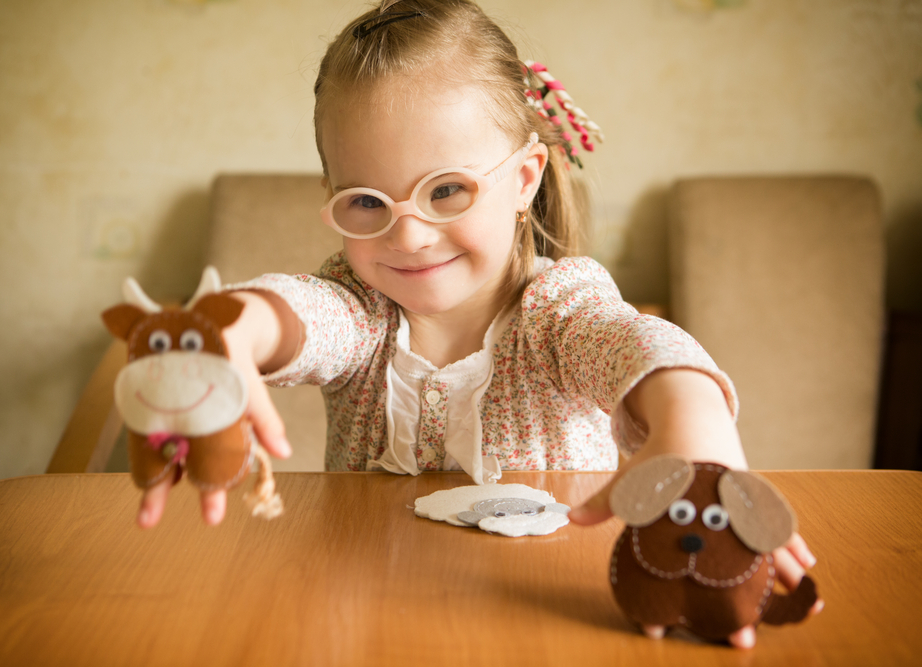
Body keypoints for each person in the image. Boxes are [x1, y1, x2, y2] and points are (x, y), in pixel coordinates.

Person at [135, 0, 820, 646]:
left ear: (524, 179)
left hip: (552, 617)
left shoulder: (559, 309)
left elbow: (634, 343)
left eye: (448, 190)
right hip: (376, 617)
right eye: (367, 203)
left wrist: (692, 419)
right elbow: (297, 313)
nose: (409, 237)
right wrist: (230, 332)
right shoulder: (358, 306)